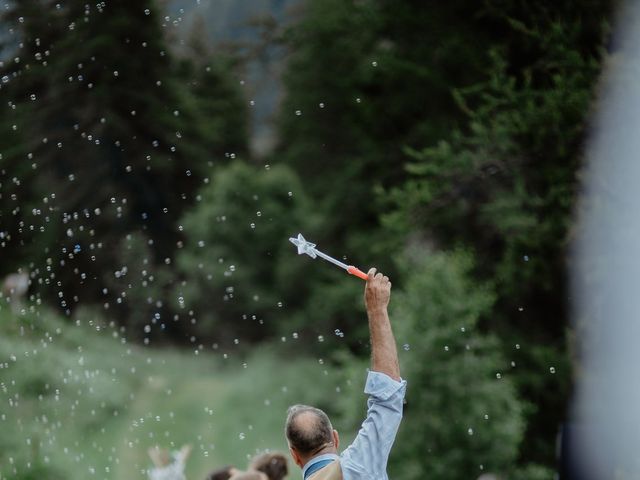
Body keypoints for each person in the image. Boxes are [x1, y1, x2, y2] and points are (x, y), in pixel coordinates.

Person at [284, 268, 406, 480]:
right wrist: (377, 310)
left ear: (294, 456)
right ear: (335, 438)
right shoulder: (358, 465)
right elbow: (387, 400)